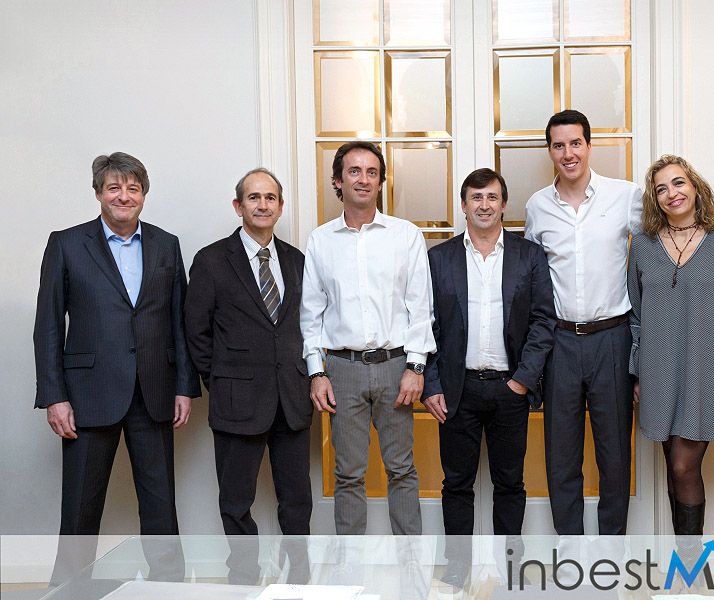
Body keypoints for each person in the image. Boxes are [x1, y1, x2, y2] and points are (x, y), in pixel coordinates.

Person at [33, 152, 199, 582]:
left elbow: (179, 321)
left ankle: (168, 589)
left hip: (154, 391)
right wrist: (54, 397)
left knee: (161, 505)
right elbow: (48, 325)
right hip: (87, 395)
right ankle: (69, 590)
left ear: (143, 195)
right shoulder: (67, 244)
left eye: (133, 188)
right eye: (114, 188)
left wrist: (185, 386)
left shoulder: (166, 244)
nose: (124, 196)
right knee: (80, 509)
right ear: (98, 194)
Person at [300, 141, 436, 535]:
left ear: (380, 182)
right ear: (337, 181)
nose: (363, 179)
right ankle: (350, 565)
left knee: (402, 469)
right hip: (342, 369)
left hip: (396, 368)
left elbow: (420, 307)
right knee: (348, 474)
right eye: (354, 171)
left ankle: (411, 563)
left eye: (372, 172)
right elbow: (311, 313)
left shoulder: (405, 236)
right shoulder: (321, 240)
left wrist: (415, 367)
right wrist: (316, 373)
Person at [525, 109, 642, 535]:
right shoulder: (537, 206)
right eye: (559, 146)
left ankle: (611, 552)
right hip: (559, 342)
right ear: (550, 151)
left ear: (589, 146)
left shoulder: (625, 196)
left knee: (615, 454)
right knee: (561, 454)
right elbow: (532, 276)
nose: (568, 153)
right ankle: (570, 552)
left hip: (612, 337)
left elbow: (658, 250)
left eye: (575, 143)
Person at [422, 168, 555, 535]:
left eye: (492, 197)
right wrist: (431, 384)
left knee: (510, 484)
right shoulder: (439, 258)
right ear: (463, 205)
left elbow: (543, 320)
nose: (484, 205)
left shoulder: (529, 256)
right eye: (476, 198)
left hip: (510, 388)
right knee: (456, 484)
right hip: (455, 391)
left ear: (503, 204)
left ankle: (510, 564)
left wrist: (523, 380)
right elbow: (425, 325)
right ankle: (458, 566)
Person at [184, 168, 313, 546]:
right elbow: (196, 331)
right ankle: (244, 575)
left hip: (291, 399)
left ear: (280, 206)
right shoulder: (211, 260)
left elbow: (307, 324)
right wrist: (221, 380)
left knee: (297, 500)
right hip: (236, 401)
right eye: (254, 197)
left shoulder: (296, 260)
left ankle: (299, 572)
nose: (262, 204)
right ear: (238, 206)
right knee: (236, 502)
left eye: (270, 198)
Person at [627, 155, 714, 535]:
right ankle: (682, 561)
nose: (671, 193)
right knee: (673, 466)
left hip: (705, 368)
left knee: (683, 467)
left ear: (695, 187)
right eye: (661, 189)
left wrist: (707, 318)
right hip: (657, 369)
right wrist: (636, 372)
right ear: (655, 199)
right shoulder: (642, 246)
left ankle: (691, 565)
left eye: (678, 183)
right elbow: (636, 314)